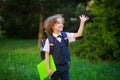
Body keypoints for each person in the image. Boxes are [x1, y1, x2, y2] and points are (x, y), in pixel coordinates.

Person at [43, 14, 89, 80]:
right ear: (52, 26)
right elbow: (46, 56)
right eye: (58, 23)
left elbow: (79, 34)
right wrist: (48, 69)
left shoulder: (66, 36)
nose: (61, 24)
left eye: (62, 23)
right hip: (55, 67)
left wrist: (82, 22)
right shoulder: (49, 40)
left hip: (65, 66)